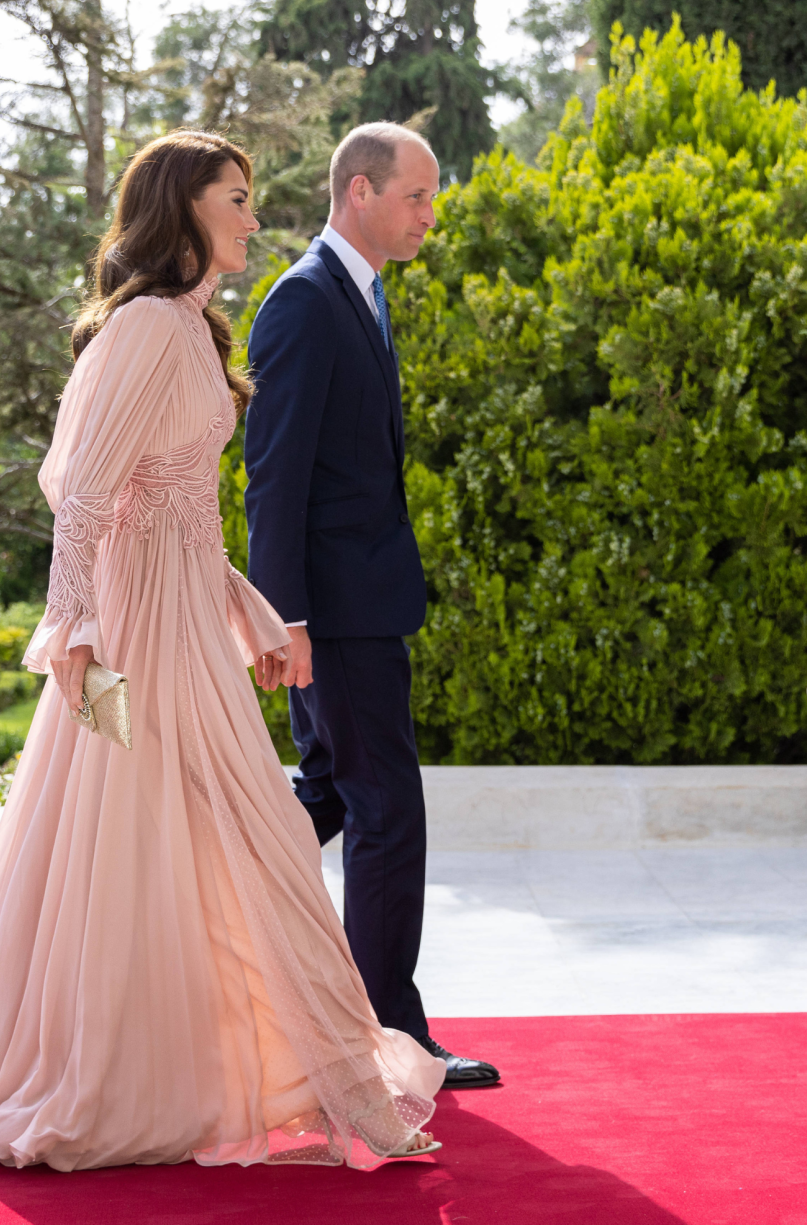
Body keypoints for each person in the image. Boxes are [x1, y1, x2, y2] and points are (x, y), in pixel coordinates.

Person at [0, 131, 445, 1173]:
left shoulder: (195, 328)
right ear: (183, 208)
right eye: (236, 198)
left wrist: (248, 606)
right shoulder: (142, 327)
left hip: (190, 616)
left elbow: (178, 506)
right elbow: (85, 493)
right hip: (136, 627)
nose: (253, 216)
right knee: (158, 838)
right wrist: (78, 631)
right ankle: (124, 1077)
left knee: (234, 833)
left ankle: (245, 1065)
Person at [244, 123, 500, 1087]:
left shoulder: (363, 291)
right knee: (388, 809)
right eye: (418, 196)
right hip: (336, 616)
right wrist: (288, 618)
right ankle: (388, 1040)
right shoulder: (306, 301)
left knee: (325, 799)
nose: (431, 214)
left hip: (361, 603)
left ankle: (192, 917)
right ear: (359, 191)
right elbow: (274, 474)